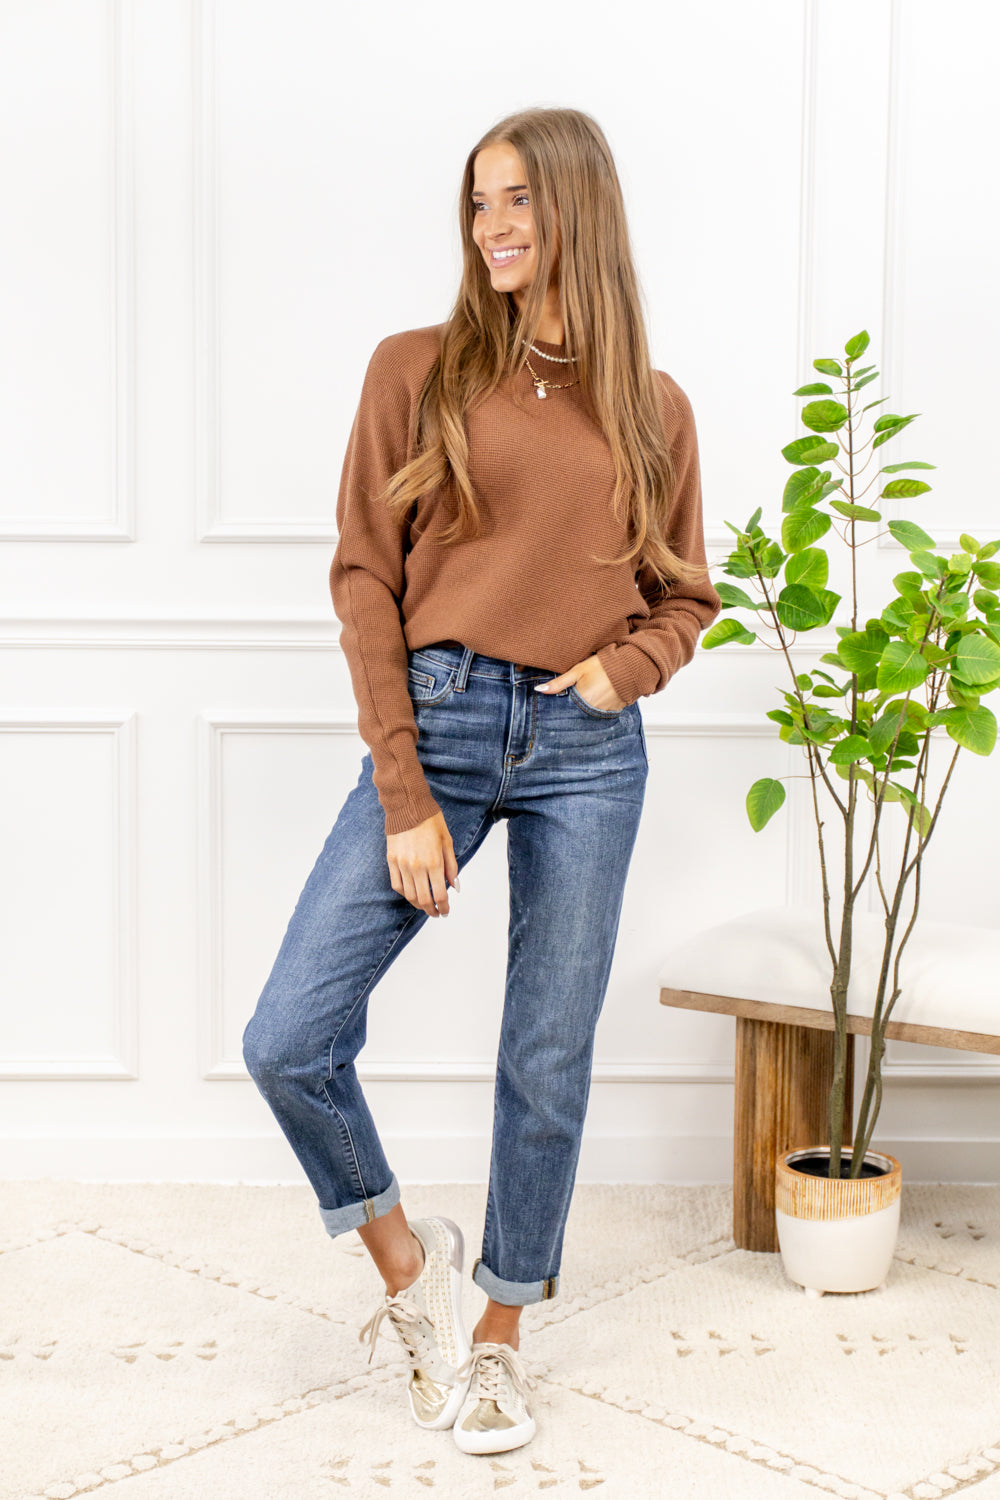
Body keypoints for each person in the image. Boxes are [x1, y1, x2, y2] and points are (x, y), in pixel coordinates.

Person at [242, 104, 721, 1457]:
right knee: (288, 1035)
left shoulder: (653, 406)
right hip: (441, 722)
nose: (492, 226)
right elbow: (364, 578)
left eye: (518, 200)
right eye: (478, 202)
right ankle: (411, 1269)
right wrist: (404, 793)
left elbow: (686, 594)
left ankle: (502, 1336)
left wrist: (629, 669)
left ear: (578, 211)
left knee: (546, 1051)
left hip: (586, 748)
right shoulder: (418, 369)